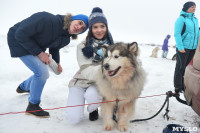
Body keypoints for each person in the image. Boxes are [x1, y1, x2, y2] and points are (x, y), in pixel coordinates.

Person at [7, 11, 89, 118]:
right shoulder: (47, 19)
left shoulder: (66, 39)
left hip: (34, 45)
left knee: (43, 70)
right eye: (79, 22)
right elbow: (20, 34)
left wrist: (57, 62)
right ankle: (33, 106)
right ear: (72, 19)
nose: (79, 27)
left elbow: (54, 48)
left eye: (82, 28)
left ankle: (24, 87)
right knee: (42, 73)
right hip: (18, 39)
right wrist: (40, 53)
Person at [66, 7, 114, 124]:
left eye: (102, 26)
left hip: (98, 84)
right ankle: (83, 105)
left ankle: (93, 108)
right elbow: (87, 71)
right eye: (95, 27)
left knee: (92, 94)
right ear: (91, 29)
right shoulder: (82, 46)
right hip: (81, 81)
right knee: (73, 119)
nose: (99, 30)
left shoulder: (113, 47)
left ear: (106, 28)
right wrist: (107, 67)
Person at [174, 1, 199, 93]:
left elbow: (197, 33)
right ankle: (177, 86)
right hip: (183, 48)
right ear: (186, 8)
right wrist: (180, 47)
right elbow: (177, 34)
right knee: (180, 67)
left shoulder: (195, 20)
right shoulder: (181, 19)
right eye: (192, 7)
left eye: (195, 7)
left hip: (192, 48)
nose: (194, 8)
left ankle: (183, 85)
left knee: (186, 68)